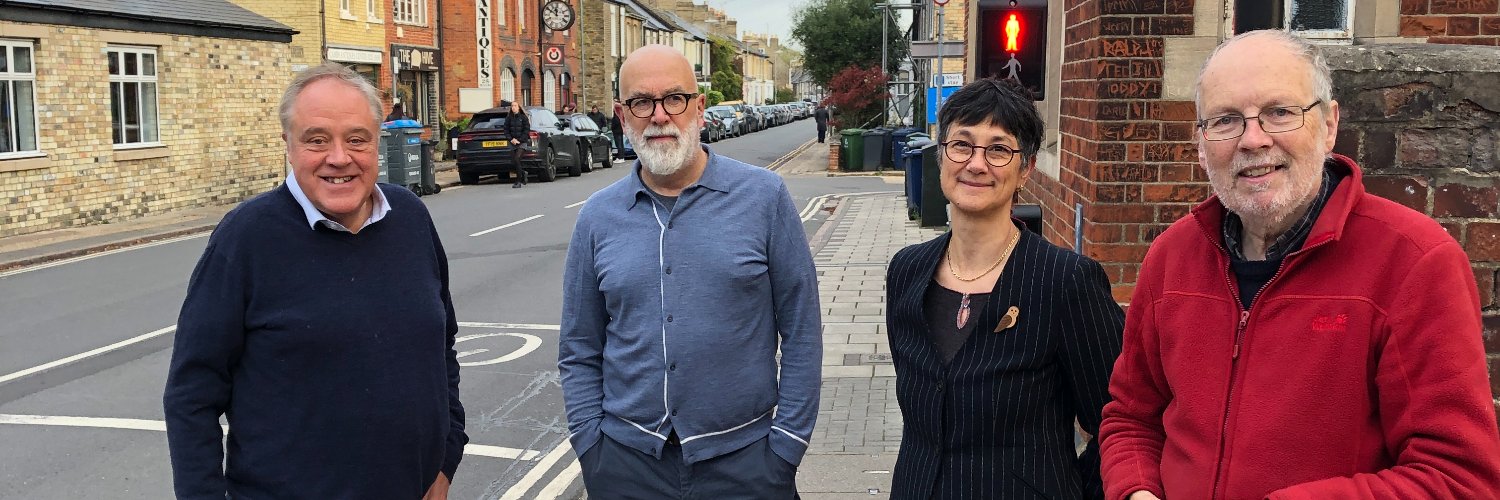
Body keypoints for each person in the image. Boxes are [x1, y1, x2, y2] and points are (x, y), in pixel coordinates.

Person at [1099, 30, 1500, 500]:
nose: (1253, 140)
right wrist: (1136, 490)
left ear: (1329, 125)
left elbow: (1458, 478)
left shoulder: (1414, 263)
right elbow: (1131, 417)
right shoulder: (1171, 257)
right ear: (1201, 143)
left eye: (1280, 112)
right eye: (1226, 120)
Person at [163, 62, 467, 499]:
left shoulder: (411, 218)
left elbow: (442, 349)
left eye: (356, 139)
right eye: (316, 140)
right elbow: (191, 395)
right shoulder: (246, 238)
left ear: (377, 143)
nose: (338, 157)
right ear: (288, 146)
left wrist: (445, 459)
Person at [559, 44, 822, 499]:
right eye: (642, 102)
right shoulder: (598, 217)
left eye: (674, 99)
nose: (659, 116)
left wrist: (786, 448)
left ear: (699, 108)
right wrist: (591, 447)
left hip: (748, 463)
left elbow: (802, 330)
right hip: (626, 465)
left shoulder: (764, 197)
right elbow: (579, 345)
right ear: (623, 117)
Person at [884, 78, 1123, 500]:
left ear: (1025, 168)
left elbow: (1119, 423)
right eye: (962, 144)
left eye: (998, 149)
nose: (976, 164)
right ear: (942, 155)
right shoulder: (907, 271)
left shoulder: (1066, 282)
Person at [505, 99, 531, 188]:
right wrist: (511, 139)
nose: (513, 107)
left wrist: (519, 140)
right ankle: (523, 173)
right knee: (514, 162)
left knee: (517, 159)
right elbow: (506, 130)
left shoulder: (523, 118)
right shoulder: (508, 118)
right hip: (512, 142)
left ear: (519, 107)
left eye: (515, 106)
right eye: (512, 106)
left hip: (522, 142)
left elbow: (526, 130)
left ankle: (518, 182)